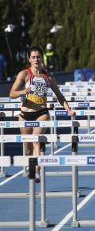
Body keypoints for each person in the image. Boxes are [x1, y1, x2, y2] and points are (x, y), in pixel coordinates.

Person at [9, 46, 74, 182]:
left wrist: (68, 109)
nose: (36, 59)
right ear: (29, 59)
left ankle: (37, 170)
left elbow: (59, 95)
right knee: (27, 149)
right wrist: (24, 91)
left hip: (42, 113)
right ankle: (30, 164)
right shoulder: (24, 74)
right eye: (33, 57)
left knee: (36, 140)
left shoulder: (48, 77)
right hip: (24, 114)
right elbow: (12, 94)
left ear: (42, 58)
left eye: (38, 57)